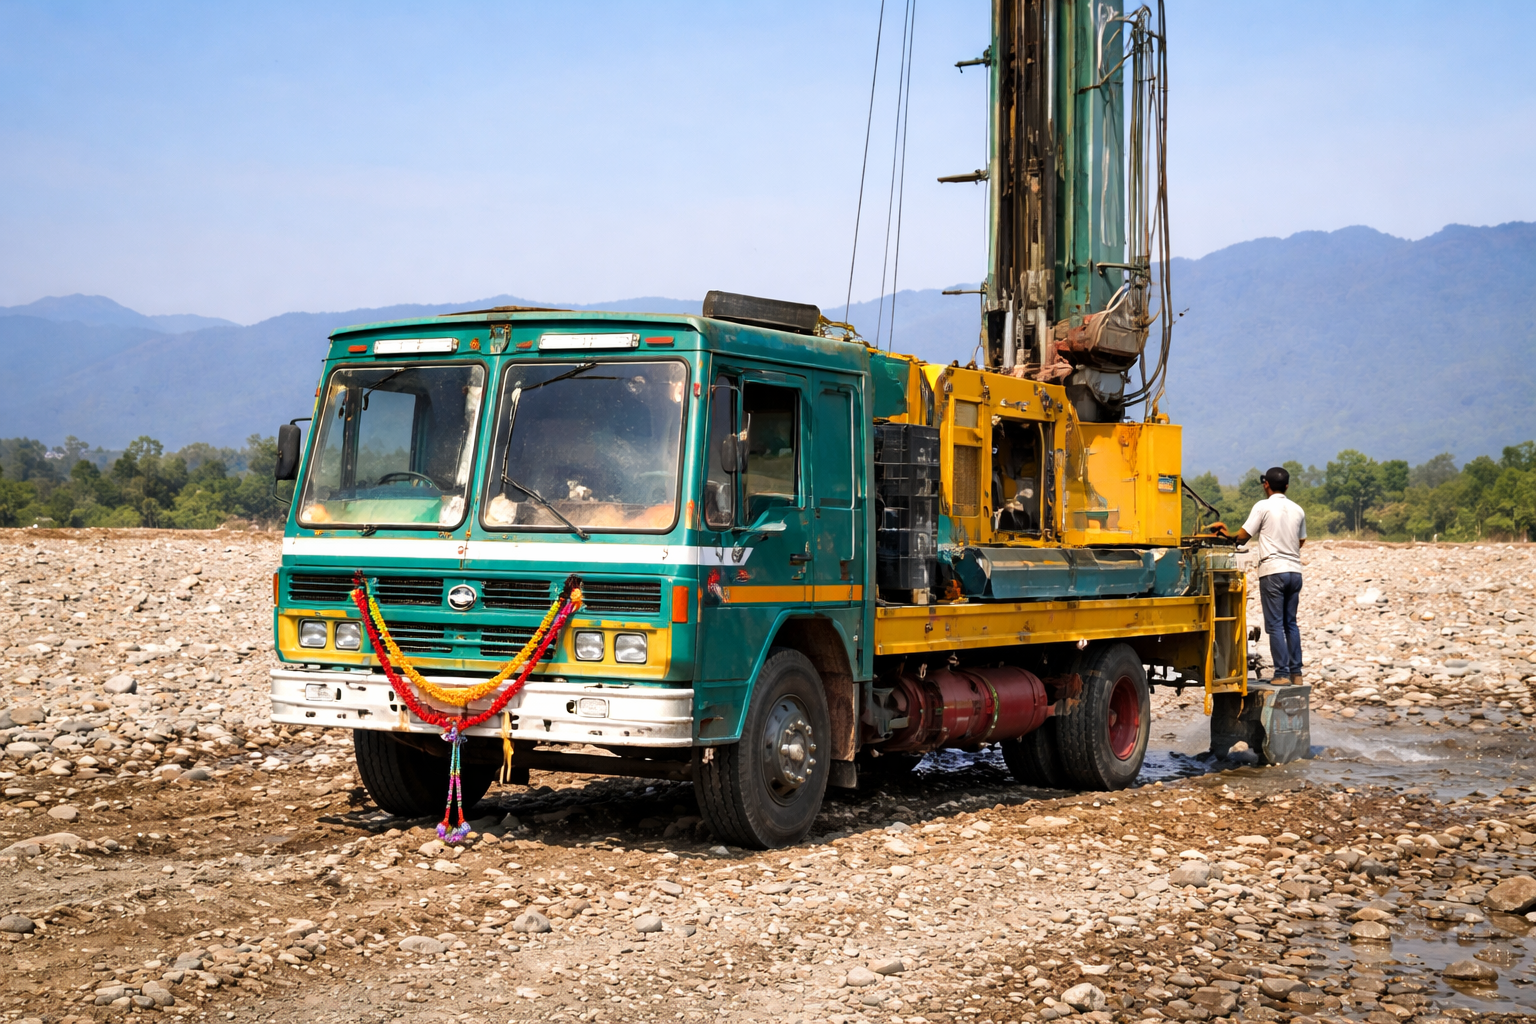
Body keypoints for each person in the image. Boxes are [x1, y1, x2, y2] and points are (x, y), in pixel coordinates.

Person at [1219, 467, 1307, 685]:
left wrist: (1225, 535)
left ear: (1265, 484)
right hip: (1295, 571)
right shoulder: (1298, 510)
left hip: (1273, 572)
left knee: (1275, 625)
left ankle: (1281, 675)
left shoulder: (1263, 506)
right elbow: (1301, 541)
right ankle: (1296, 674)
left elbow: (1243, 536)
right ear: (1286, 486)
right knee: (1291, 624)